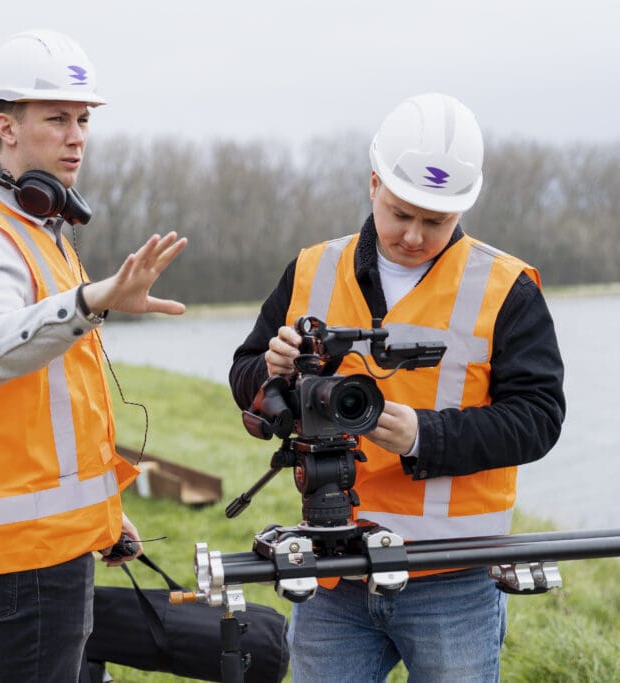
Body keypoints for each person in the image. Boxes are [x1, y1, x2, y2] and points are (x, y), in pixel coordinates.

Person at [229, 92, 565, 682]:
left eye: (435, 222)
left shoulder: (507, 287)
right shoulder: (311, 268)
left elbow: (539, 418)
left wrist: (422, 436)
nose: (413, 235)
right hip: (334, 571)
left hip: (454, 577)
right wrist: (272, 372)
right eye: (401, 213)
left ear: (462, 209)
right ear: (373, 184)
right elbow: (245, 376)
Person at [0, 30, 187, 682]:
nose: (77, 138)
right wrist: (94, 300)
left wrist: (103, 514)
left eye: (83, 120)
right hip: (29, 556)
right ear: (6, 127)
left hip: (36, 543)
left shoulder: (42, 233)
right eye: (57, 119)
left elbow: (53, 410)